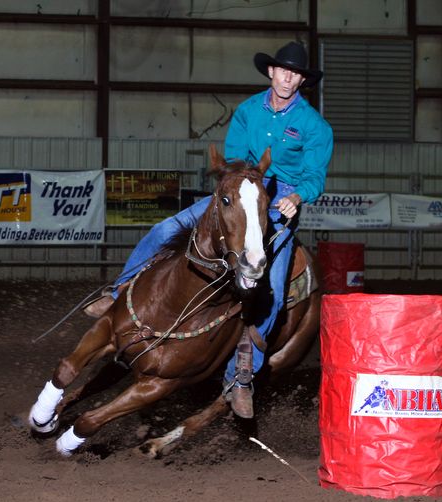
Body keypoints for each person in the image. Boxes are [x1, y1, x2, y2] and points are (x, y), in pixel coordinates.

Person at [84, 41, 333, 418]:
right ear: (271, 72)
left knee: (276, 291)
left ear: (302, 80)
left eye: (295, 73)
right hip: (240, 191)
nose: (288, 77)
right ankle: (119, 292)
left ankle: (240, 377)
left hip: (278, 203)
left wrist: (297, 197)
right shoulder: (249, 111)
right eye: (283, 70)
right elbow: (233, 159)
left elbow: (315, 176)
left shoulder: (315, 126)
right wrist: (238, 186)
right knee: (165, 228)